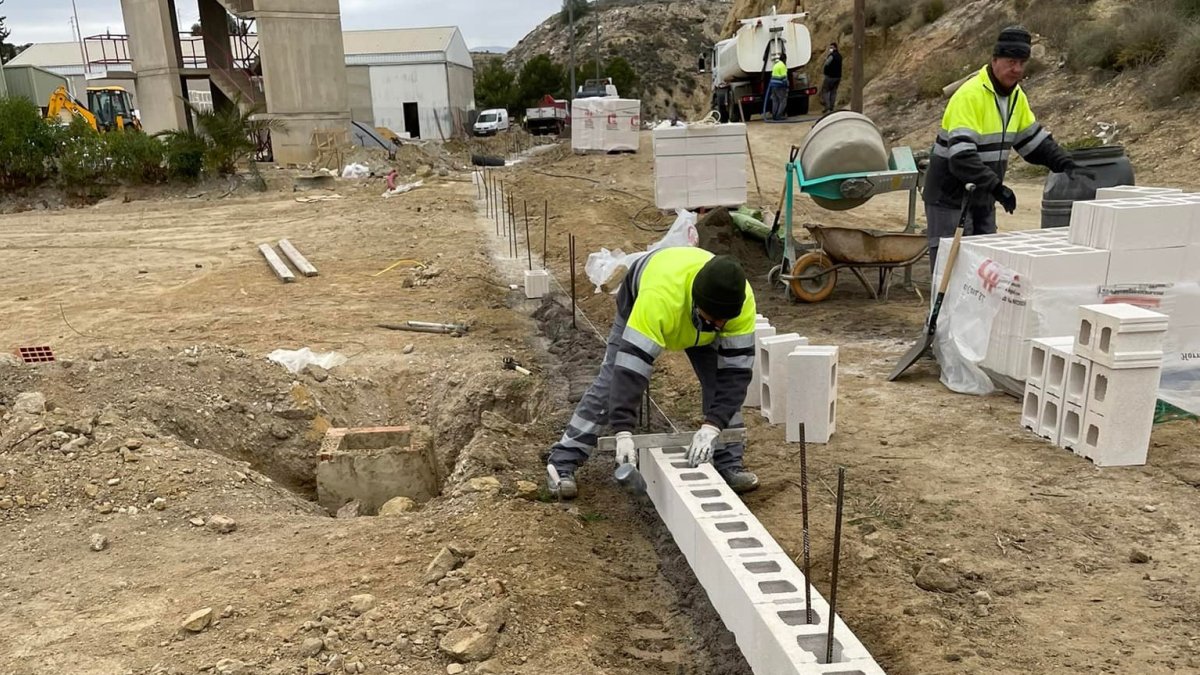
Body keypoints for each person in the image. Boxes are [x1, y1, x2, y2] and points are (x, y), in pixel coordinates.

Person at [545, 248, 759, 500]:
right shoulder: (658, 300)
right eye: (712, 319)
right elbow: (631, 368)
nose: (719, 326)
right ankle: (562, 462)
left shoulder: (740, 303)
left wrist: (712, 427)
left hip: (689, 310)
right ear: (695, 303)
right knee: (610, 382)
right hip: (645, 294)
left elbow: (735, 375)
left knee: (720, 384)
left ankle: (729, 462)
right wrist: (623, 430)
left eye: (723, 321)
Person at [923, 25, 1095, 270]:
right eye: (1011, 61)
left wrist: (1064, 162)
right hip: (949, 197)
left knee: (983, 271)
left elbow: (1033, 142)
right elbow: (961, 157)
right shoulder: (969, 95)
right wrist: (996, 187)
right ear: (994, 60)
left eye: (1022, 63)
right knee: (952, 271)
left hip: (982, 195)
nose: (1017, 69)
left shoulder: (1016, 97)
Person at [763, 57, 789, 121]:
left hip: (773, 85)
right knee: (783, 101)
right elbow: (784, 78)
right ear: (784, 59)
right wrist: (786, 86)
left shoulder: (776, 65)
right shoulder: (782, 65)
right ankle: (778, 116)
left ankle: (774, 116)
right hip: (779, 86)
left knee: (775, 101)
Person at [820, 42, 842, 113]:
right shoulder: (839, 56)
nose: (830, 49)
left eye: (831, 47)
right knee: (833, 92)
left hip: (830, 76)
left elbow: (827, 64)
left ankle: (827, 107)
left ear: (835, 48)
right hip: (838, 77)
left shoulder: (832, 56)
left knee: (825, 91)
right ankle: (832, 107)